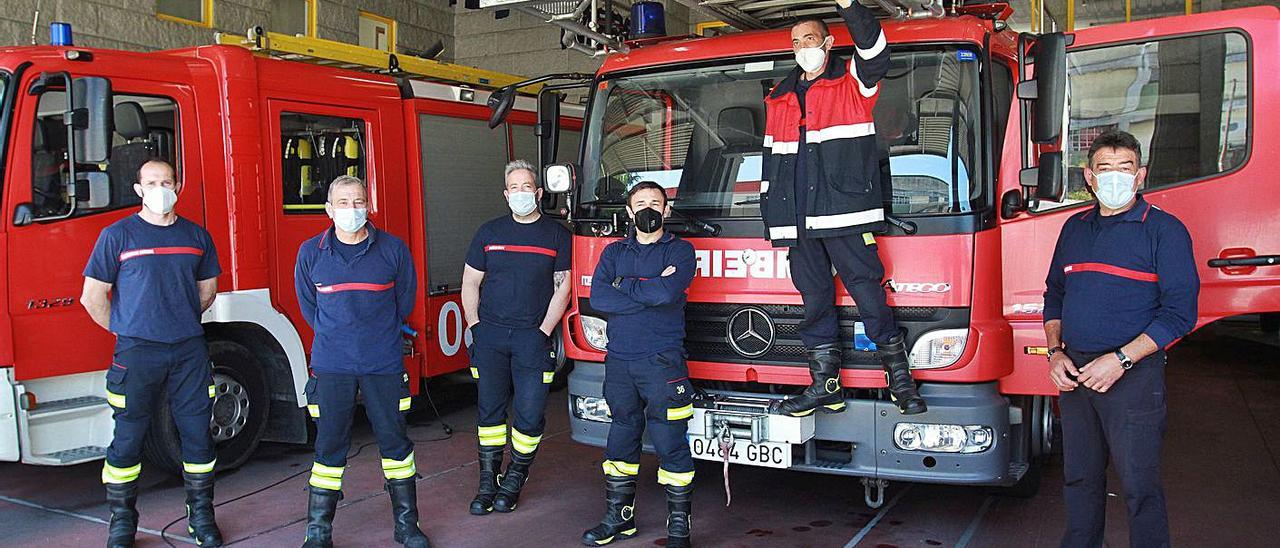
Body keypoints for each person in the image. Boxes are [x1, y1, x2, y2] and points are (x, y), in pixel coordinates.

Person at [760, 0, 926, 416]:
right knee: (814, 302)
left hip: (844, 213)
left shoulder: (853, 81)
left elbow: (875, 49)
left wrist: (850, 5)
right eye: (796, 42)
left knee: (868, 293)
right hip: (797, 221)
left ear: (829, 43)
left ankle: (900, 382)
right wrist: (774, 217)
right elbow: (773, 162)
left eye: (810, 39)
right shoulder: (778, 98)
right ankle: (825, 386)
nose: (802, 48)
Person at [1044, 130, 1198, 548]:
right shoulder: (1073, 229)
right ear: (1089, 177)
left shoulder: (1164, 231)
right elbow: (1055, 294)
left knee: (1139, 486)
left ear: (1140, 175)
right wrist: (1055, 353)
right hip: (1075, 375)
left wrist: (1121, 361)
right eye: (1105, 169)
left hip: (1133, 378)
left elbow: (1180, 315)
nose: (1115, 178)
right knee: (1079, 478)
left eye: (1125, 169)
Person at [80, 159, 224, 548]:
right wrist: (128, 329)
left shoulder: (196, 236)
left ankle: (202, 517)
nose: (161, 188)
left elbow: (207, 291)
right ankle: (122, 522)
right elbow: (92, 297)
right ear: (138, 189)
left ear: (177, 186)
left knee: (197, 436)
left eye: (167, 181)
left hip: (189, 350)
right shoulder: (117, 235)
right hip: (136, 352)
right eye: (152, 182)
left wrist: (175, 321)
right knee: (128, 437)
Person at [294, 176, 427, 548]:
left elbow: (404, 301)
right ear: (328, 209)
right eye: (343, 203)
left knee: (395, 444)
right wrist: (339, 335)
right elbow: (309, 307)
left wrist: (373, 334)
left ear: (368, 205)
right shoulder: (311, 253)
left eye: (358, 202)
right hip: (332, 365)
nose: (352, 210)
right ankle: (318, 531)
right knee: (328, 448)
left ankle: (407, 525)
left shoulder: (393, 250)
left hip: (383, 363)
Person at [582, 182, 697, 548]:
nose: (648, 209)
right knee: (620, 436)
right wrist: (646, 288)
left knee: (670, 441)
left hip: (663, 363)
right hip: (619, 362)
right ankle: (620, 518)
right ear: (630, 213)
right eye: (640, 204)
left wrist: (624, 287)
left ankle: (679, 527)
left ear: (665, 210)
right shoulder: (614, 252)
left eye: (655, 203)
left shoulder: (681, 250)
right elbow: (599, 297)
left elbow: (667, 293)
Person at [461, 160, 572, 515]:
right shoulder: (489, 233)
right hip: (490, 335)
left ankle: (515, 477)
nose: (521, 193)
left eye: (528, 187)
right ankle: (487, 481)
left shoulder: (557, 235)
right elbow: (470, 283)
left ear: (538, 193)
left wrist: (542, 332)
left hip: (532, 338)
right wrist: (476, 326)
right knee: (489, 412)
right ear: (506, 195)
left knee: (529, 414)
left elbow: (564, 288)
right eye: (515, 188)